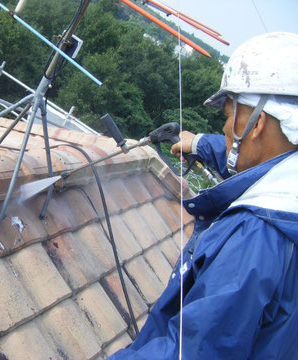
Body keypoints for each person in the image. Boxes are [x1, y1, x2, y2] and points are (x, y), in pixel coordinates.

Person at [108, 32, 298, 359]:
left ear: (257, 124)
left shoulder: (255, 237)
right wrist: (198, 144)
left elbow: (189, 351)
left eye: (228, 115)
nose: (225, 129)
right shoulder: (286, 190)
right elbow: (254, 160)